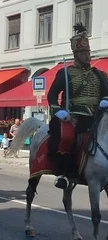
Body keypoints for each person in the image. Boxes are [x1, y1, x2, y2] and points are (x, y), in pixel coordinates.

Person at [47, 23, 108, 189]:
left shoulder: (100, 74)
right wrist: (58, 111)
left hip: (97, 116)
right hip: (73, 115)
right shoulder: (66, 73)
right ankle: (63, 173)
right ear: (76, 54)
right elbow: (51, 95)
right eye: (83, 53)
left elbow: (107, 92)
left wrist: (106, 100)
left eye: (88, 52)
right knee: (67, 137)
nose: (87, 56)